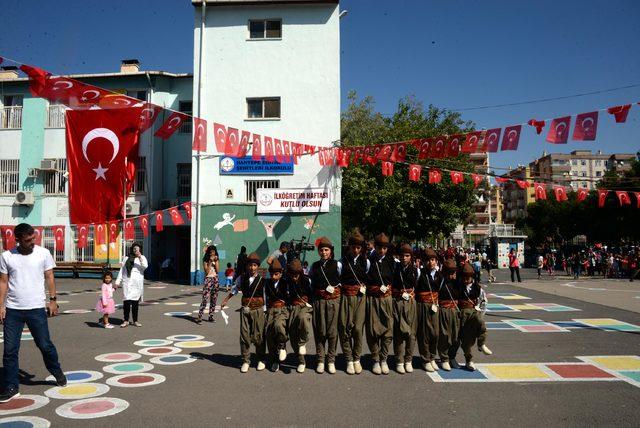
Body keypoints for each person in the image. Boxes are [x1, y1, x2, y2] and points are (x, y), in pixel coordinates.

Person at [0, 223, 67, 402]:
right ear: (18, 240)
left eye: (33, 238)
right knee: (9, 350)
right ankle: (12, 386)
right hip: (13, 310)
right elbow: (3, 283)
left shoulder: (43, 253)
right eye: (28, 240)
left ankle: (56, 371)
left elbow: (49, 276)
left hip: (36, 308)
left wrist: (53, 300)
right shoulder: (7, 256)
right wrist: (1, 306)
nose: (32, 242)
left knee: (44, 345)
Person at [309, 237, 341, 374]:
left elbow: (342, 282)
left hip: (334, 302)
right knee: (319, 331)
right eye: (321, 250)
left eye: (326, 250)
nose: (324, 252)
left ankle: (331, 360)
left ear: (331, 251)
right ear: (318, 252)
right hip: (319, 301)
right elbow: (311, 284)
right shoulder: (314, 266)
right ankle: (321, 360)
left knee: (332, 332)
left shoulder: (337, 265)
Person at [338, 230, 369, 375]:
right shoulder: (341, 262)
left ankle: (357, 359)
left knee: (357, 329)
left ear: (361, 248)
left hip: (360, 298)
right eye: (353, 247)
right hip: (345, 298)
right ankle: (348, 359)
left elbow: (367, 279)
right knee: (345, 328)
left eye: (358, 247)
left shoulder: (366, 262)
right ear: (349, 247)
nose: (356, 250)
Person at [366, 233, 396, 375]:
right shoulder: (368, 261)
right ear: (375, 247)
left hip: (387, 299)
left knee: (388, 330)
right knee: (372, 331)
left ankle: (384, 358)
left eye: (385, 248)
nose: (382, 251)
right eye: (379, 247)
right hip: (373, 299)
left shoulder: (392, 262)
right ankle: (375, 359)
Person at [233, 252, 266, 373]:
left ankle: (261, 359)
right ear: (247, 266)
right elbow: (235, 289)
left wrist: (265, 310)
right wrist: (225, 300)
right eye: (250, 265)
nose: (252, 268)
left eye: (254, 265)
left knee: (259, 335)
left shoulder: (262, 280)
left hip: (258, 310)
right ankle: (246, 360)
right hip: (245, 311)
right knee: (244, 335)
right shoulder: (242, 278)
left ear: (257, 266)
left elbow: (265, 296)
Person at [458, 263, 492, 371]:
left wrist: (481, 312)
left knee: (481, 322)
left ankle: (481, 343)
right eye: (464, 277)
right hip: (461, 314)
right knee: (465, 340)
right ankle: (469, 360)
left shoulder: (478, 288)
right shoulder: (458, 286)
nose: (466, 280)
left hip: (474, 312)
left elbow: (484, 301)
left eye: (468, 278)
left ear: (472, 277)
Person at [391, 244, 418, 374]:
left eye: (407, 256)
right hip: (398, 302)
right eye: (402, 255)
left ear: (411, 257)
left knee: (411, 334)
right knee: (399, 333)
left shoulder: (416, 270)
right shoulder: (395, 269)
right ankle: (399, 361)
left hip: (411, 302)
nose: (404, 258)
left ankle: (408, 360)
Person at [286, 259, 313, 373]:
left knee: (303, 319)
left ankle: (303, 343)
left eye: (296, 274)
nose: (294, 276)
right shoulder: (287, 281)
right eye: (292, 274)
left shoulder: (307, 280)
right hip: (293, 308)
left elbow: (312, 295)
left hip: (305, 306)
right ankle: (300, 359)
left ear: (300, 272)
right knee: (293, 336)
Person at [415, 248, 441, 373]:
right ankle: (425, 359)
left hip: (435, 305)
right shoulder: (420, 273)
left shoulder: (439, 275)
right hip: (423, 305)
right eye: (428, 260)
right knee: (424, 333)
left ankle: (432, 357)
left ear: (436, 261)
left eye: (432, 260)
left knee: (435, 333)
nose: (431, 263)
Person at [264, 259, 289, 372]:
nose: (274, 276)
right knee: (269, 334)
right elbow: (265, 297)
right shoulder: (267, 283)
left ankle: (282, 346)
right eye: (272, 274)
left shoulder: (285, 282)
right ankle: (275, 360)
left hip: (282, 309)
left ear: (281, 273)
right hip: (270, 310)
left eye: (276, 274)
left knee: (279, 326)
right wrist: (265, 309)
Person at [116, 243, 148, 327]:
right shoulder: (126, 258)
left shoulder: (142, 257)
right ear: (132, 249)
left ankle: (135, 321)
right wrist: (117, 282)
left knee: (135, 303)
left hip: (136, 284)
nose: (135, 250)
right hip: (127, 282)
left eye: (137, 249)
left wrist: (139, 256)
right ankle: (126, 320)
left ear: (140, 249)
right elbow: (122, 270)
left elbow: (145, 266)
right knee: (126, 301)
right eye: (134, 249)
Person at [437, 259, 460, 371]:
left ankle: (452, 356)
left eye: (454, 272)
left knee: (456, 337)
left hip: (455, 312)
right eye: (450, 273)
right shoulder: (440, 281)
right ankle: (444, 358)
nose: (453, 275)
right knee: (444, 336)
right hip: (444, 311)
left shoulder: (458, 282)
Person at [196, 246, 219, 324]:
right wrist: (210, 261)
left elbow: (218, 270)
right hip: (208, 279)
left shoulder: (216, 259)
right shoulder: (205, 260)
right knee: (205, 298)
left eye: (214, 251)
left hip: (215, 279)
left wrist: (216, 261)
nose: (212, 253)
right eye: (211, 252)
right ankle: (200, 316)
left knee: (214, 299)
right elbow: (207, 272)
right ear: (208, 253)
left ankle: (211, 316)